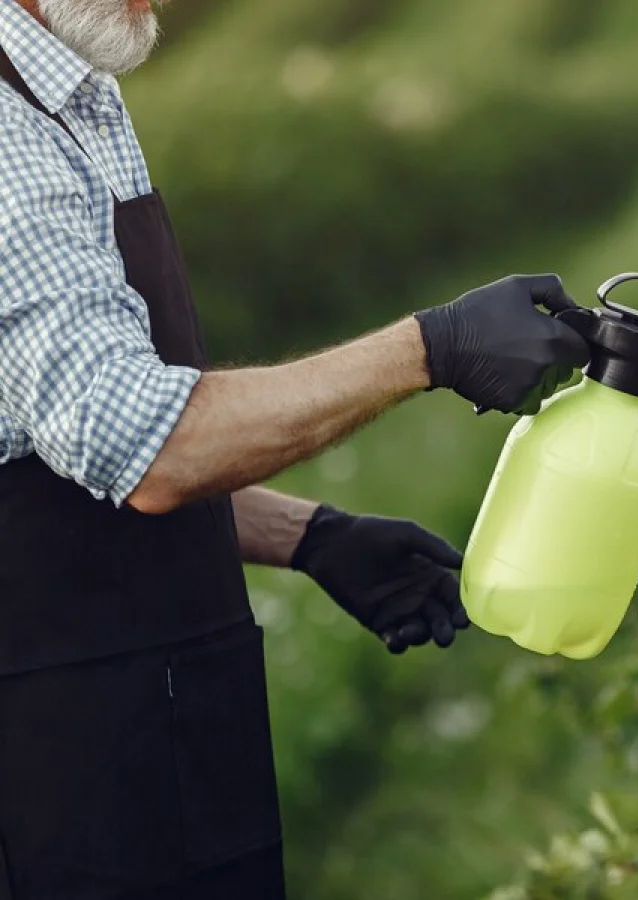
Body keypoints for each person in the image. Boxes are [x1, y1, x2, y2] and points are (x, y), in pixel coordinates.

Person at [0, 0, 591, 897]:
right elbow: (152, 445)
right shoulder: (8, 144)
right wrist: (428, 349)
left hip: (157, 727)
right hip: (60, 775)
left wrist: (311, 535)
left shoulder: (79, 98)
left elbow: (66, 451)